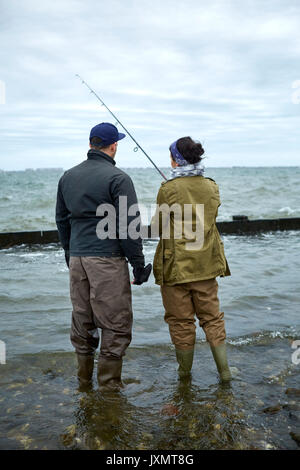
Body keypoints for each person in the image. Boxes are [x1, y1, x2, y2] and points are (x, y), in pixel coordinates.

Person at [55, 122, 151, 391]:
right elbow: (128, 225)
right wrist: (139, 265)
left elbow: (61, 220)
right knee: (116, 324)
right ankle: (109, 389)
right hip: (106, 260)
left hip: (77, 258)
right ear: (113, 146)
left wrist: (69, 253)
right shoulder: (118, 178)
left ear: (90, 144)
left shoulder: (67, 177)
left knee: (82, 321)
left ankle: (84, 384)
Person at [152, 136, 231, 382]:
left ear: (177, 160)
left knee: (180, 321)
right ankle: (225, 373)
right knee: (213, 318)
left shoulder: (168, 189)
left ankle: (184, 374)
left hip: (176, 268)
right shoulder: (211, 186)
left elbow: (158, 227)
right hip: (206, 265)